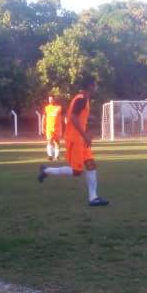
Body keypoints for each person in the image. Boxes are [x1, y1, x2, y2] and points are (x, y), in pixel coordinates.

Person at [37, 75, 110, 206]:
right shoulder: (81, 99)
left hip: (80, 139)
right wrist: (85, 135)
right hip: (75, 139)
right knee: (77, 171)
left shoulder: (84, 99)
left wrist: (89, 120)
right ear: (90, 86)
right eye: (95, 85)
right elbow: (73, 118)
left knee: (91, 165)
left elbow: (78, 117)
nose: (97, 87)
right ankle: (46, 170)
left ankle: (93, 198)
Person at [43, 96, 63, 161]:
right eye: (49, 99)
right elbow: (43, 118)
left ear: (54, 100)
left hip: (58, 128)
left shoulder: (59, 107)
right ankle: (50, 155)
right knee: (49, 141)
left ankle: (56, 156)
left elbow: (64, 116)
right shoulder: (46, 108)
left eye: (51, 99)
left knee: (57, 142)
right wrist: (42, 127)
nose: (50, 101)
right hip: (49, 128)